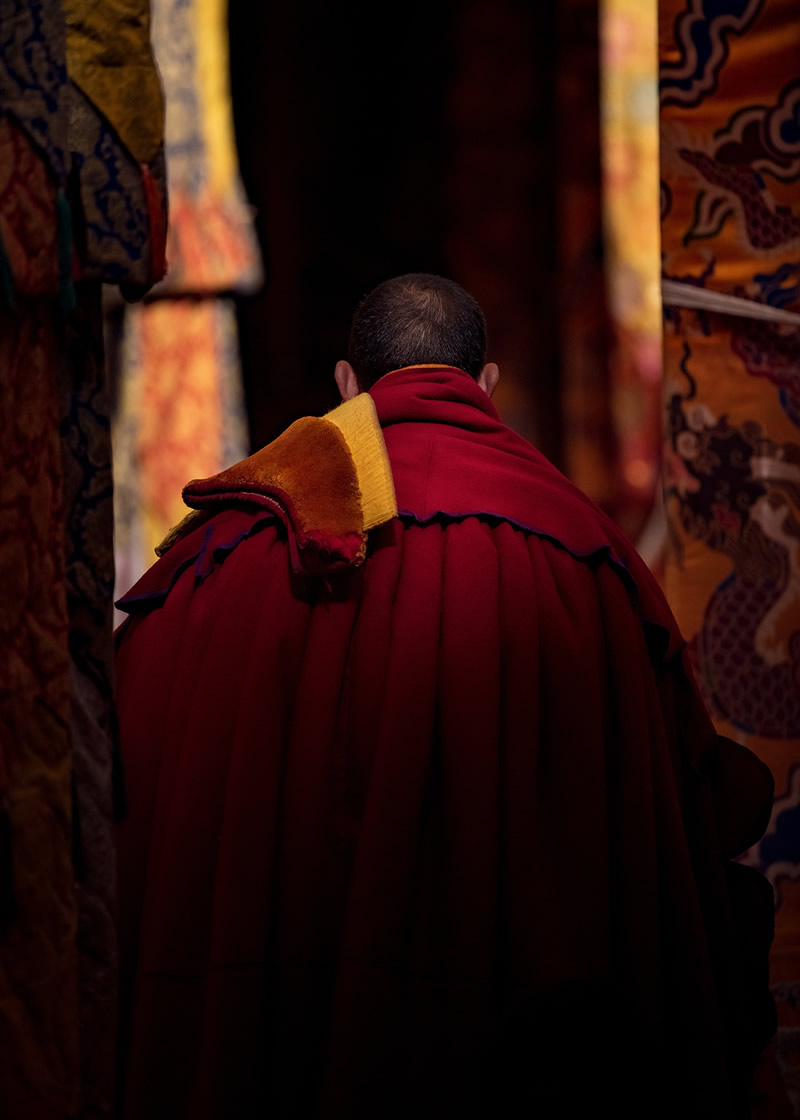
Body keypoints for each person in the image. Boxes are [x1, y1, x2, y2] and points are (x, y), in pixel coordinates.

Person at [113, 273, 776, 1120]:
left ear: (347, 385)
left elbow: (128, 775)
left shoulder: (231, 547)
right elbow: (674, 818)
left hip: (280, 1051)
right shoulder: (588, 557)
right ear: (487, 383)